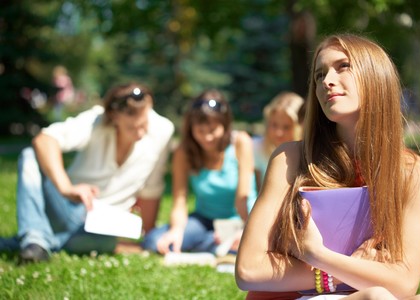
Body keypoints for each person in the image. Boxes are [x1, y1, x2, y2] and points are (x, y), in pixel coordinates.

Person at [235, 34, 420, 299]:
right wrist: (344, 272)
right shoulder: (290, 157)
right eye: (319, 75)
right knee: (376, 296)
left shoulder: (413, 172)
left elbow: (406, 284)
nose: (327, 81)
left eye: (343, 66)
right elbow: (248, 270)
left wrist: (317, 256)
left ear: (376, 75)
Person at [0, 82, 174, 263]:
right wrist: (66, 188)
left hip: (109, 225)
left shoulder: (162, 130)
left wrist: (147, 239)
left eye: (143, 125)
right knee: (29, 155)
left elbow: (151, 189)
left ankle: (37, 242)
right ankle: (38, 240)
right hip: (71, 209)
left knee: (101, 240)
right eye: (131, 128)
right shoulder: (96, 120)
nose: (140, 133)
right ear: (114, 117)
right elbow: (45, 140)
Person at [142, 89, 257, 255]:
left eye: (212, 130)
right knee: (155, 242)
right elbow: (179, 200)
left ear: (224, 126)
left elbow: (243, 197)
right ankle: (215, 243)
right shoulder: (184, 151)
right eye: (200, 131)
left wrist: (246, 229)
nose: (207, 138)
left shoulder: (241, 141)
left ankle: (220, 243)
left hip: (240, 218)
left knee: (243, 246)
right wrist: (176, 231)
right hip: (203, 220)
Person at [253, 91, 305, 190]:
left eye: (287, 127)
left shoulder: (307, 154)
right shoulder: (257, 147)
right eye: (274, 125)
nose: (278, 133)